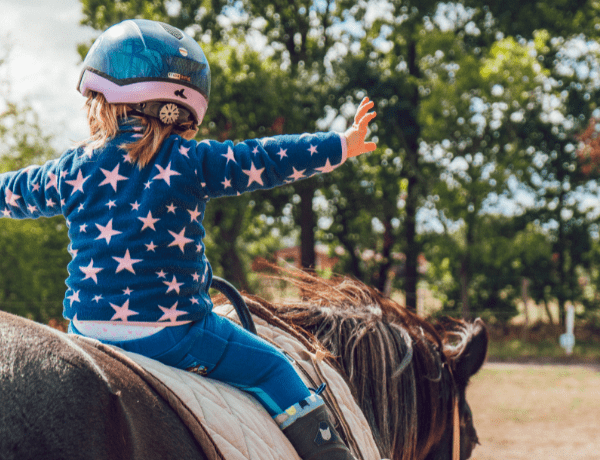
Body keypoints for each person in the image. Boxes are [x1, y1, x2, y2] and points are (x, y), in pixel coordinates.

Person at [0, 19, 376, 460]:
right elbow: (266, 156)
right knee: (275, 368)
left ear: (103, 100)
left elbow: (15, 191)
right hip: (175, 334)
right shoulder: (193, 160)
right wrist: (341, 145)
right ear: (184, 108)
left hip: (86, 330)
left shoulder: (73, 168)